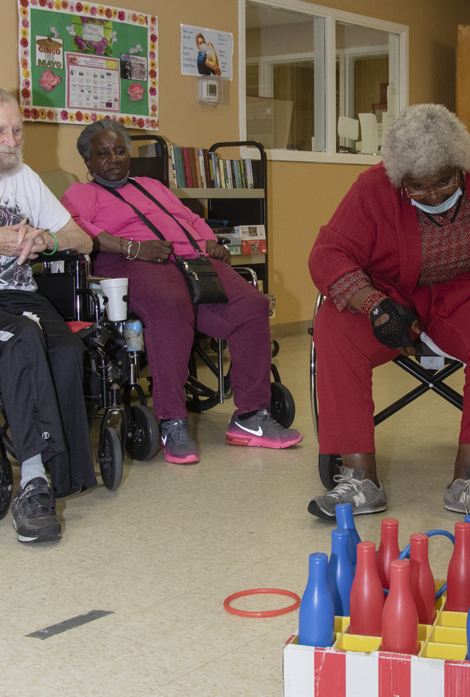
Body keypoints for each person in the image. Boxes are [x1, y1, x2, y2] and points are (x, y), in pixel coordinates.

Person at [308, 103, 470, 521]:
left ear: (462, 165)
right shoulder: (372, 189)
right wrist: (373, 304)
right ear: (398, 179)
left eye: (444, 181)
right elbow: (328, 254)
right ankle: (359, 480)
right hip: (393, 295)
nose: (433, 195)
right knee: (334, 327)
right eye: (417, 188)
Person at [64, 118, 302, 463]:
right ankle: (173, 421)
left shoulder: (151, 186)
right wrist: (133, 248)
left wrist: (209, 241)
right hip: (131, 264)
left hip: (191, 261)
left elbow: (189, 218)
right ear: (87, 161)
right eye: (102, 154)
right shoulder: (81, 194)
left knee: (251, 305)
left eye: (119, 151)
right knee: (171, 307)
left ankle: (250, 417)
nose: (113, 159)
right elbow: (80, 233)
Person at [0, 88, 96, 543]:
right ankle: (34, 483)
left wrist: (46, 241)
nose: (11, 141)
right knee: (21, 338)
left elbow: (83, 240)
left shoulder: (25, 177)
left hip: (20, 295)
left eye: (16, 130)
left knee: (66, 348)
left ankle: (63, 473)